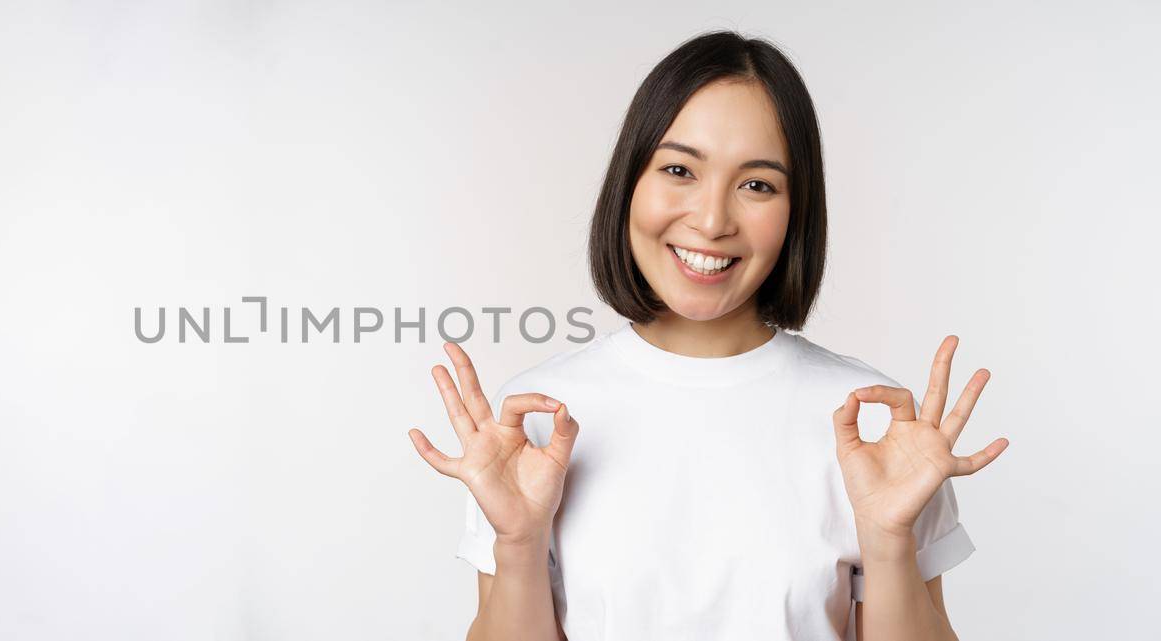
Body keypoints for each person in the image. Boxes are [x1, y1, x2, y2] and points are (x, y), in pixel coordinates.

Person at [406, 30, 1010, 641]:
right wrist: (518, 542)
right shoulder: (533, 421)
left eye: (757, 185)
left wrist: (888, 543)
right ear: (629, 184)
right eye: (678, 169)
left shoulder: (876, 425)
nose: (713, 220)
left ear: (796, 213)